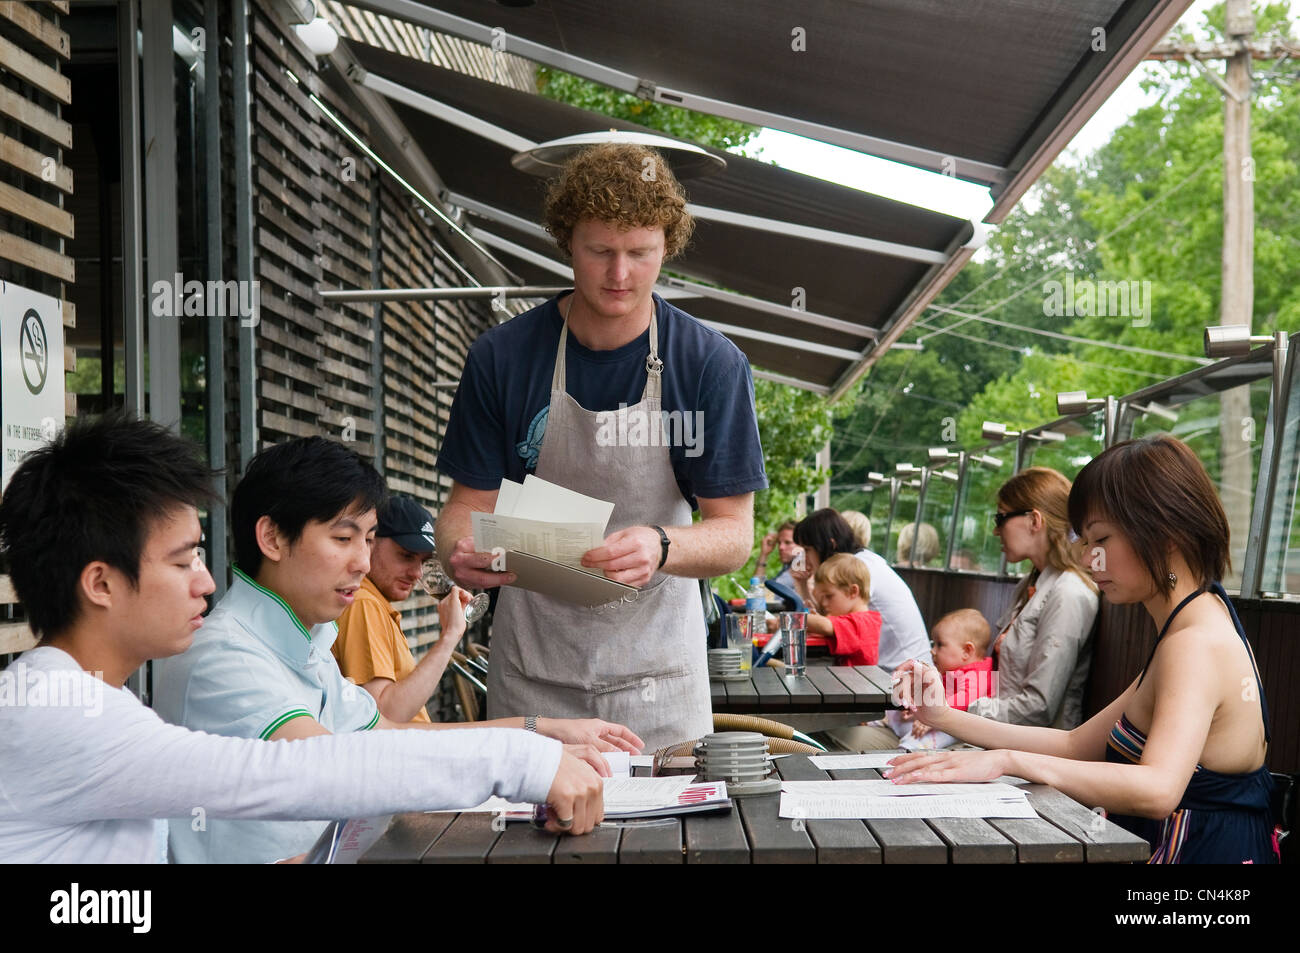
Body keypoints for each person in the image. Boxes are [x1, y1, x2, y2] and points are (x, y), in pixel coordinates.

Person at [0, 414, 604, 863]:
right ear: (101, 583)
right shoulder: (61, 714)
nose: (206, 583)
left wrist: (535, 733)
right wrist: (522, 756)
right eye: (183, 563)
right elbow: (295, 773)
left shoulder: (95, 700)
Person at [155, 436, 640, 863]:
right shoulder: (226, 656)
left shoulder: (303, 641)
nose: (363, 562)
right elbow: (332, 766)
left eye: (368, 540)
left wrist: (540, 731)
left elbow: (386, 734)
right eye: (343, 538)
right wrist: (518, 759)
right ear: (272, 538)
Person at [434, 143, 767, 749]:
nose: (620, 275)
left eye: (640, 253)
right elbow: (465, 507)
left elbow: (733, 533)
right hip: (535, 685)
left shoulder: (710, 364)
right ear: (567, 243)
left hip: (660, 682)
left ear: (668, 243)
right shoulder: (502, 358)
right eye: (600, 252)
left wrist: (661, 545)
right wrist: (459, 549)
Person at [890, 435, 1277, 864]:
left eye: (1102, 539)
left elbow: (1157, 791)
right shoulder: (1196, 620)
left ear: (1166, 534)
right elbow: (1075, 744)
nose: (1091, 559)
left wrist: (1006, 761)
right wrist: (942, 715)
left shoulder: (1193, 643)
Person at [966, 467, 1098, 729]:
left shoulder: (1068, 593)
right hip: (1000, 738)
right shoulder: (1031, 583)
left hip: (1030, 754)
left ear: (1035, 521)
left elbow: (1037, 709)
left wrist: (958, 707)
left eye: (1000, 518)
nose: (996, 531)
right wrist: (942, 691)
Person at [332, 495, 456, 724]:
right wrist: (450, 636)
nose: (417, 573)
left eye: (423, 561)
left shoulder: (373, 602)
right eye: (406, 556)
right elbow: (386, 714)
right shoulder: (363, 604)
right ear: (370, 542)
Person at [792, 509, 932, 670]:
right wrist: (802, 585)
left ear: (830, 545)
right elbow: (830, 617)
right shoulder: (861, 561)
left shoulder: (860, 568)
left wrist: (790, 620)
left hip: (901, 676)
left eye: (807, 549)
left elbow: (826, 621)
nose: (804, 557)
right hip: (896, 670)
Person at [872, 609, 995, 751]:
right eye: (933, 644)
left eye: (940, 645)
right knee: (896, 709)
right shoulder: (951, 670)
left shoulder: (979, 674)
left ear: (967, 651)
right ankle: (879, 719)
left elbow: (965, 699)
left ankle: (904, 753)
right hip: (937, 717)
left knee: (925, 739)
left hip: (956, 727)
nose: (932, 650)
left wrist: (935, 717)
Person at [805, 554, 881, 667]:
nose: (824, 603)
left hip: (854, 683)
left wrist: (791, 619)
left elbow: (825, 626)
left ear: (853, 591)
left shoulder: (862, 623)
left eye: (829, 596)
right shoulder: (856, 620)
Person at [756, 520, 799, 590]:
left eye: (788, 542)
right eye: (779, 543)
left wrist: (763, 556)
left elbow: (760, 592)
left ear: (801, 545)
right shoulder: (787, 567)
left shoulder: (800, 567)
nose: (780, 547)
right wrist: (764, 554)